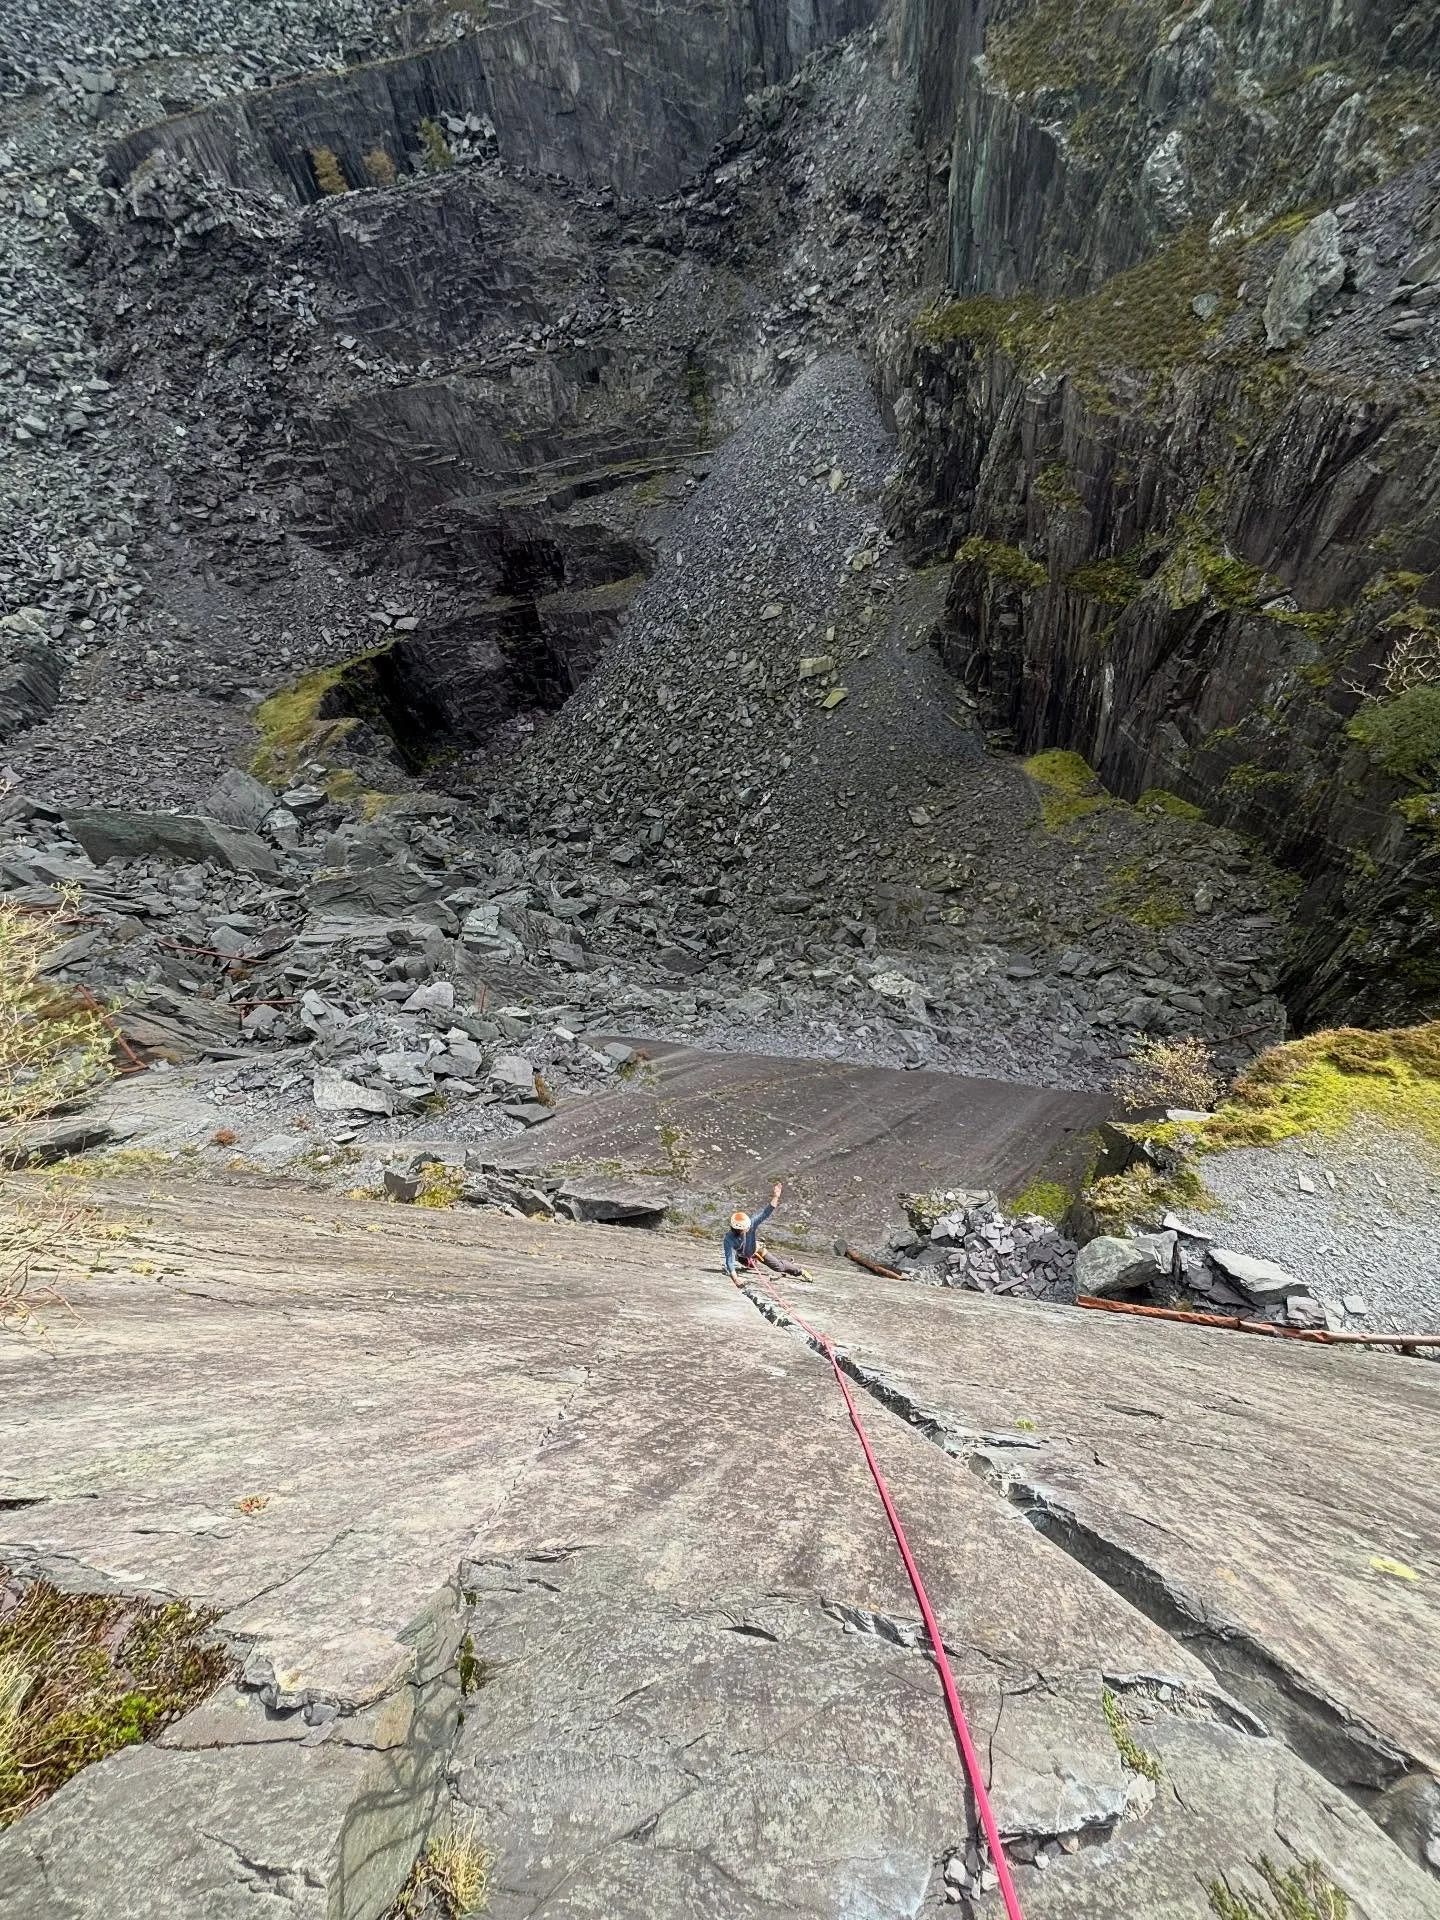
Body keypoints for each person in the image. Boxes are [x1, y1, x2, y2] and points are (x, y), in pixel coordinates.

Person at [723, 1181, 811, 1280]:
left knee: (778, 1267)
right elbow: (729, 1260)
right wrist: (735, 1278)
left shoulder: (751, 1224)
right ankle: (749, 1261)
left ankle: (800, 1271)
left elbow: (765, 1213)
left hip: (756, 1250)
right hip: (742, 1255)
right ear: (738, 1229)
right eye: (745, 1227)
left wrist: (776, 1196)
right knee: (749, 1264)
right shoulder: (729, 1239)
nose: (748, 1228)